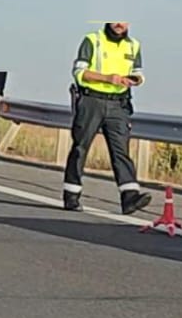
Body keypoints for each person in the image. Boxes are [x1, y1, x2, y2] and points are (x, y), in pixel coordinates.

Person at [62, 21, 151, 214]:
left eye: (123, 20)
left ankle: (129, 197)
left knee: (121, 151)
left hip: (119, 104)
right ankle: (71, 194)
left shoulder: (133, 45)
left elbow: (138, 73)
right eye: (115, 20)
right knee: (80, 147)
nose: (119, 24)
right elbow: (79, 72)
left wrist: (134, 80)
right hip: (91, 100)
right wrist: (107, 78)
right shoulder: (93, 40)